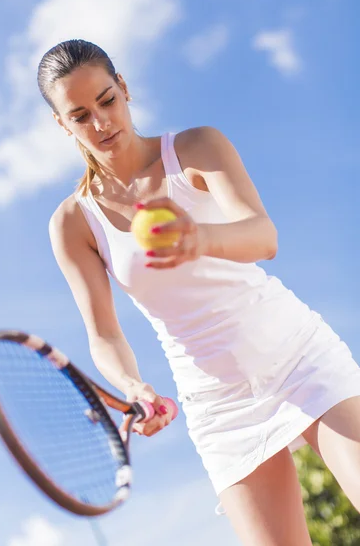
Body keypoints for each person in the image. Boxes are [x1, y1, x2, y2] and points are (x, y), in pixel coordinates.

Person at [38, 39, 360, 545]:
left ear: (124, 89)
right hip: (217, 401)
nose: (100, 123)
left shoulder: (194, 148)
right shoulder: (73, 223)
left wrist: (200, 238)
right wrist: (134, 386)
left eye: (106, 100)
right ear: (62, 124)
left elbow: (263, 236)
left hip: (296, 354)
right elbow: (103, 334)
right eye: (79, 115)